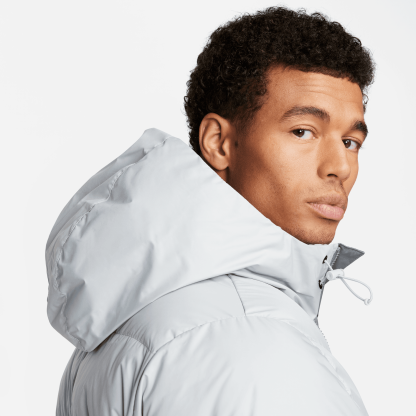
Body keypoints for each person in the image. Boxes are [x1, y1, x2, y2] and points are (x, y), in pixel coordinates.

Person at [46, 6, 375, 415]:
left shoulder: (138, 309)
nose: (340, 166)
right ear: (219, 143)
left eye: (350, 142)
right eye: (303, 131)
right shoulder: (251, 346)